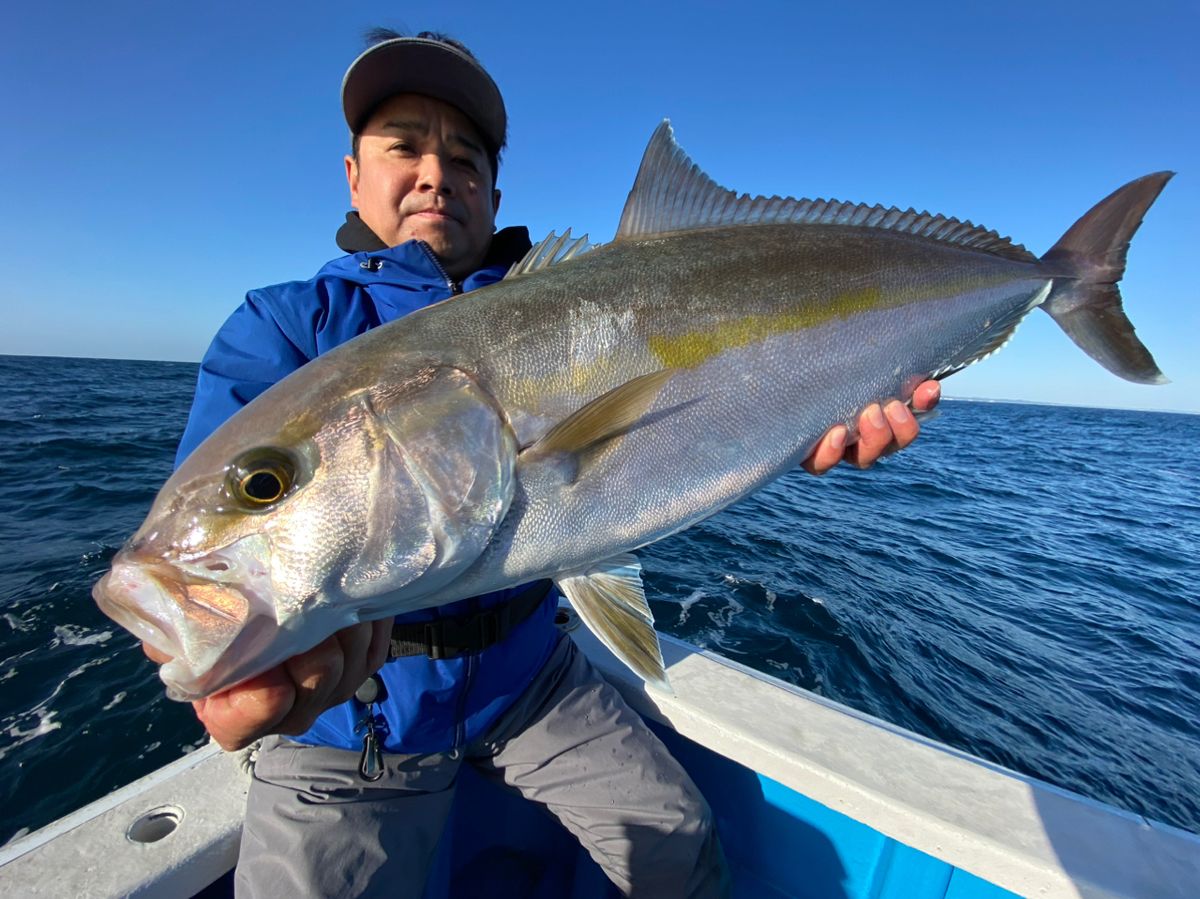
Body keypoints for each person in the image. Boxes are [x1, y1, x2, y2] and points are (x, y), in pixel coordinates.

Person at [152, 29, 941, 899]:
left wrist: (798, 419)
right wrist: (250, 660)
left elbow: (699, 416)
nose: (434, 172)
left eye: (463, 155)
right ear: (352, 176)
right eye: (404, 145)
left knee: (677, 840)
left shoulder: (573, 297)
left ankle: (1061, 276)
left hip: (528, 674)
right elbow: (234, 547)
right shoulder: (288, 331)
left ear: (492, 188)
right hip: (355, 720)